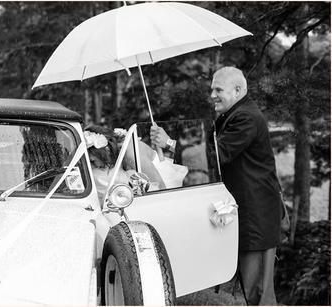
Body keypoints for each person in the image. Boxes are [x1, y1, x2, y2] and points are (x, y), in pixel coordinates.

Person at [150, 66, 283, 305]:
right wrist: (168, 146)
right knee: (250, 288)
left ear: (238, 90)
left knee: (260, 293)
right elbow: (208, 156)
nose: (212, 95)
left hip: (258, 214)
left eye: (218, 89)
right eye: (212, 89)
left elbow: (214, 155)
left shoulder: (246, 117)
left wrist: (169, 142)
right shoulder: (229, 115)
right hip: (244, 211)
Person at [85, 125, 165, 202]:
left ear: (106, 151)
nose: (93, 166)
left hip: (165, 181)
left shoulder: (131, 153)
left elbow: (159, 186)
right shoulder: (115, 153)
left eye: (93, 161)